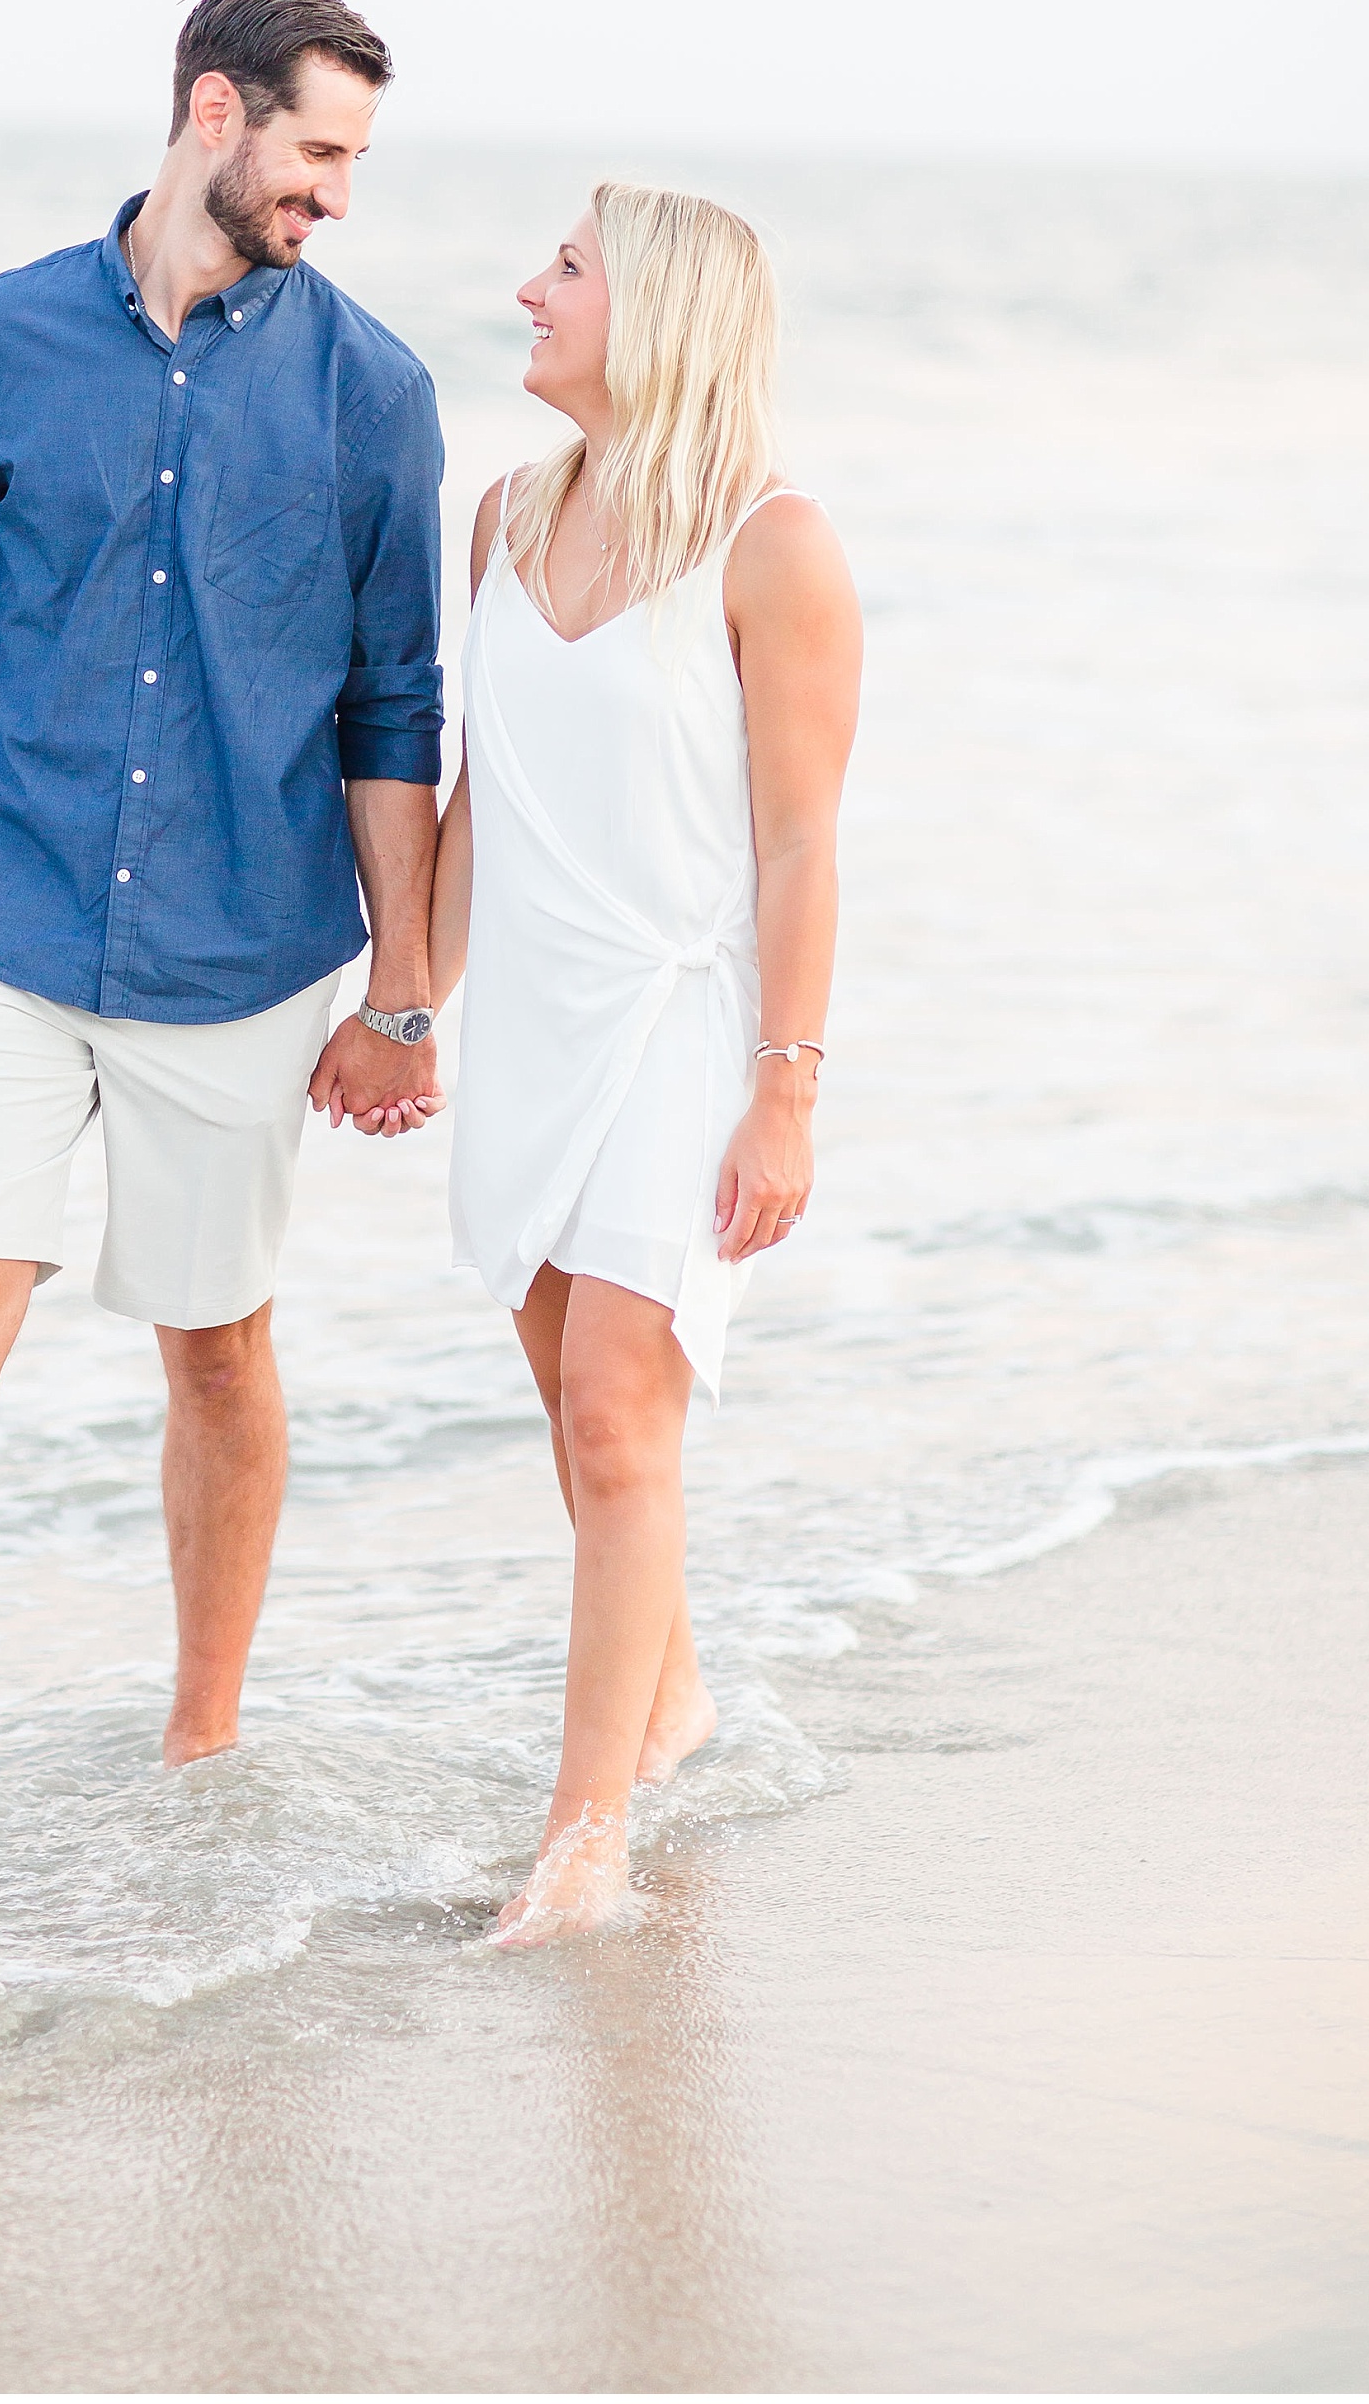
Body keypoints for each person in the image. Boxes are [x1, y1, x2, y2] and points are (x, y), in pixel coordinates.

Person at [0, 0, 447, 1920]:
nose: (333, 194)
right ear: (213, 112)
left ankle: (200, 1736)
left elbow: (397, 705)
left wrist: (403, 992)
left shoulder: (369, 390)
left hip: (243, 948)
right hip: (1, 902)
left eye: (351, 164)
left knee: (214, 1348)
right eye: (315, 151)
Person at [429, 182, 862, 1942]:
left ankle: (583, 1835)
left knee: (620, 1398)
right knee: (574, 1402)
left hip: (689, 1021)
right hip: (532, 1013)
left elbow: (801, 846)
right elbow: (481, 808)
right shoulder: (504, 519)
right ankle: (669, 1699)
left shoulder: (776, 542)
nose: (528, 289)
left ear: (657, 311)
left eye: (568, 270)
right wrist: (398, 1001)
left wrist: (789, 1084)